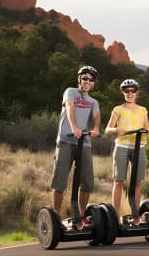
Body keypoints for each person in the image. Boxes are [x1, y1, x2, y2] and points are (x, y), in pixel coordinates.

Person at [50, 65, 100, 230]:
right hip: (66, 140)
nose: (87, 81)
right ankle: (55, 217)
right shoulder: (70, 92)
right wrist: (74, 127)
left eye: (91, 79)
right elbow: (70, 107)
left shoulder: (93, 101)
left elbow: (97, 117)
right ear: (79, 79)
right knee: (60, 180)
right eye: (85, 78)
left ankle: (81, 216)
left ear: (94, 83)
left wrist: (96, 128)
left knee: (87, 181)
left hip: (83, 143)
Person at [105, 79, 149, 223]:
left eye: (133, 91)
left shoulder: (142, 110)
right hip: (121, 146)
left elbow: (147, 127)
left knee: (137, 182)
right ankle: (115, 216)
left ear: (137, 93)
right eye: (127, 91)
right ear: (123, 93)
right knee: (118, 181)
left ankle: (136, 215)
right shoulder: (118, 109)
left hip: (139, 147)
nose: (130, 93)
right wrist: (116, 129)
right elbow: (107, 129)